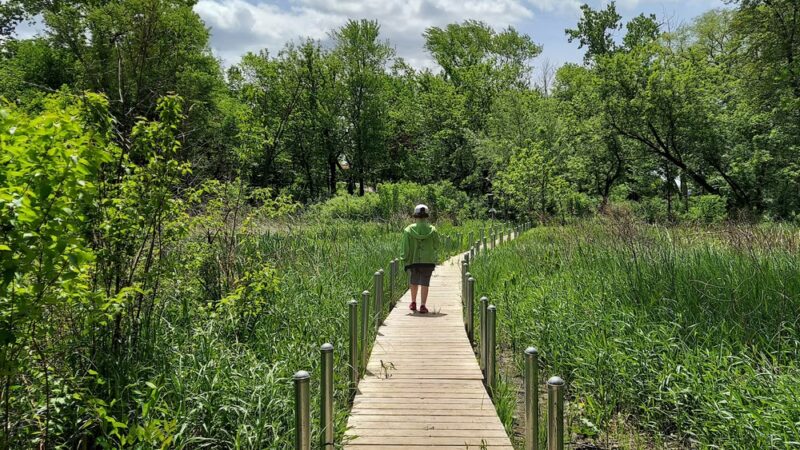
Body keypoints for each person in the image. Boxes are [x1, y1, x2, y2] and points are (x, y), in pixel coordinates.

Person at [400, 204, 439, 314]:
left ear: (415, 216)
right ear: (427, 216)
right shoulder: (433, 230)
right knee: (425, 283)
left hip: (413, 260)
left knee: (414, 281)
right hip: (428, 260)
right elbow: (437, 245)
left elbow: (405, 248)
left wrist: (404, 258)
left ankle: (413, 302)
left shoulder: (408, 230)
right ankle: (423, 305)